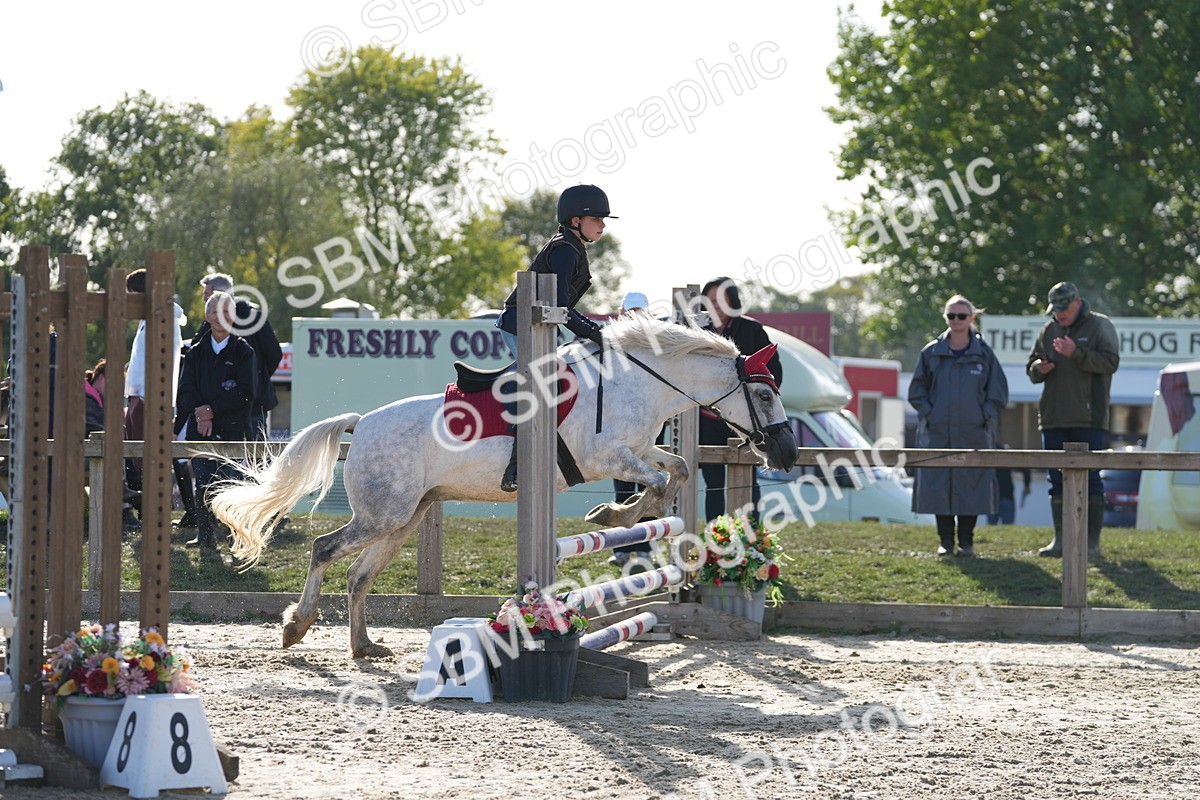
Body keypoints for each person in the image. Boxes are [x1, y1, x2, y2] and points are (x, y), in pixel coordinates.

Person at [494, 184, 616, 492]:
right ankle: (516, 465)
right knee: (543, 380)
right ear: (576, 220)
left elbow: (560, 308)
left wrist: (593, 331)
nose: (602, 225)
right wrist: (592, 331)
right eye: (597, 219)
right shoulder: (564, 249)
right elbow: (560, 306)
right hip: (520, 324)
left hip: (540, 325)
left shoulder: (573, 248)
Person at [908, 295, 1008, 557]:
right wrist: (931, 414)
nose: (956, 321)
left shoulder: (984, 353)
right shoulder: (931, 352)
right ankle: (945, 541)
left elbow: (997, 393)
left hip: (973, 433)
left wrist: (983, 416)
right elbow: (917, 390)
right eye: (951, 315)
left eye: (961, 316)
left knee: (971, 486)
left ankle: (966, 542)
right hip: (938, 432)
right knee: (939, 484)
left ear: (971, 318)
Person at [1027, 281, 1120, 558]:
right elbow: (1031, 369)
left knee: (1090, 479)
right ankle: (1062, 541)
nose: (1059, 314)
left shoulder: (1100, 326)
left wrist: (1076, 354)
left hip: (1088, 417)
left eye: (1063, 308)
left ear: (1077, 302)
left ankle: (1091, 545)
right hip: (1054, 417)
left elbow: (1111, 362)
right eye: (1054, 309)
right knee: (1056, 480)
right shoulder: (1048, 329)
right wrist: (1039, 368)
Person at [175, 291, 257, 550]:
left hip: (233, 431)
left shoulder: (244, 352)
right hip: (200, 432)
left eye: (225, 312)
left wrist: (212, 410)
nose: (220, 317)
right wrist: (200, 411)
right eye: (214, 312)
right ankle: (205, 536)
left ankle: (237, 537)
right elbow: (185, 390)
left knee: (232, 485)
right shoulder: (195, 353)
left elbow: (246, 392)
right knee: (203, 484)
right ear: (206, 316)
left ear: (233, 316)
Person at [698, 277, 782, 523]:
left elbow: (773, 370)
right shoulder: (698, 330)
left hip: (746, 420)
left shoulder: (751, 329)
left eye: (720, 299)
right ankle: (716, 539)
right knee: (713, 483)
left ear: (732, 300)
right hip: (707, 418)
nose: (715, 304)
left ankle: (751, 536)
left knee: (748, 479)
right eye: (710, 299)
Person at [192, 273, 282, 441]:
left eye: (207, 294)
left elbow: (274, 353)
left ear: (219, 293)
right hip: (223, 407)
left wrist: (254, 378)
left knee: (253, 458)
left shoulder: (252, 317)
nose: (204, 300)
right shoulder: (213, 322)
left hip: (249, 406)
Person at [610, 291, 655, 567]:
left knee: (648, 486)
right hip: (619, 426)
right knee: (623, 488)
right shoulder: (612, 339)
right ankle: (621, 547)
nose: (633, 316)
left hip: (647, 425)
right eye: (629, 311)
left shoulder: (655, 344)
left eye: (637, 311)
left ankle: (645, 546)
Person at [84, 358, 142, 530]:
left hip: (98, 450)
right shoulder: (83, 396)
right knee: (116, 456)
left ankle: (128, 503)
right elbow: (91, 426)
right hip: (80, 454)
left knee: (124, 456)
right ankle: (126, 504)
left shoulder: (101, 398)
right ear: (101, 378)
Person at [987, 443, 1031, 525]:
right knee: (1008, 525)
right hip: (1007, 495)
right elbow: (1025, 468)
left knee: (991, 525)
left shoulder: (987, 454)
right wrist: (1026, 485)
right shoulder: (1006, 454)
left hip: (992, 495)